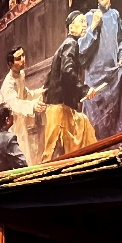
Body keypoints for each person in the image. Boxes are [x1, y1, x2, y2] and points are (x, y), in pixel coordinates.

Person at [78, 0, 122, 139]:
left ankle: (117, 147)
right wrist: (93, 25)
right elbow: (80, 47)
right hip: (95, 76)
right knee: (95, 121)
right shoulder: (89, 16)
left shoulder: (115, 15)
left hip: (113, 76)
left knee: (116, 119)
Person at [43, 10, 98, 160]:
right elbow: (67, 72)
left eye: (85, 22)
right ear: (71, 27)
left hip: (61, 106)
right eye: (81, 22)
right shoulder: (70, 44)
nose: (84, 25)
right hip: (60, 107)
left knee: (82, 128)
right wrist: (84, 90)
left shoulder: (68, 45)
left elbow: (52, 76)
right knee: (53, 151)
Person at [0, 46, 46, 166]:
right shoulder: (8, 84)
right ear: (10, 64)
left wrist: (40, 92)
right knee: (18, 154)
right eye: (18, 58)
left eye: (23, 56)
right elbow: (14, 103)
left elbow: (25, 94)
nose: (23, 60)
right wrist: (32, 106)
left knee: (27, 152)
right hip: (10, 124)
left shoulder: (21, 75)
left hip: (21, 121)